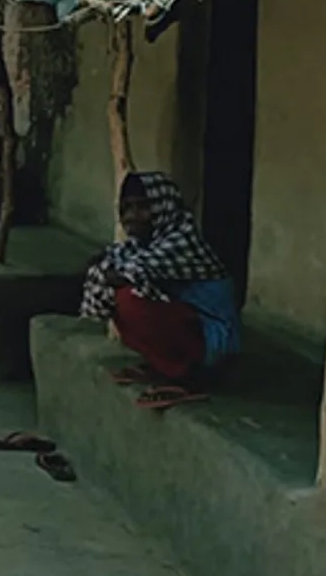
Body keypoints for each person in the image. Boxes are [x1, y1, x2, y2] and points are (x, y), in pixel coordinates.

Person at [80, 171, 238, 409]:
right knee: (121, 295)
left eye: (143, 207)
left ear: (163, 207)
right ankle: (166, 366)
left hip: (212, 344)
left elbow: (130, 273)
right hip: (190, 331)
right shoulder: (139, 246)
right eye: (127, 208)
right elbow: (111, 266)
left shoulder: (182, 239)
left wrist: (107, 270)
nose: (132, 216)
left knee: (130, 297)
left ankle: (190, 376)